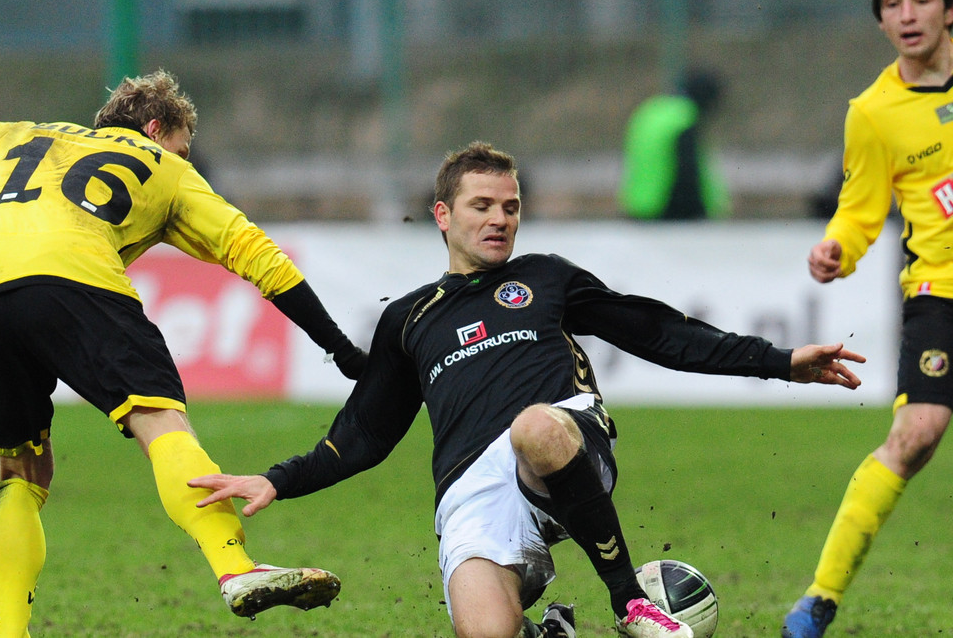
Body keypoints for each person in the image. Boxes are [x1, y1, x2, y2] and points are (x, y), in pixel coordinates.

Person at [0, 69, 367, 637]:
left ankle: (10, 631)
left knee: (21, 474)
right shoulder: (166, 167)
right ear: (156, 130)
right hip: (78, 280)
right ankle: (235, 568)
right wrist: (339, 349)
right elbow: (256, 253)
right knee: (162, 424)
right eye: (182, 149)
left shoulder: (18, 136)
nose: (186, 164)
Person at [189, 141, 864, 638]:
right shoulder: (410, 320)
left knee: (535, 427)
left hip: (561, 438)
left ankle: (629, 601)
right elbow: (363, 434)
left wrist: (780, 361)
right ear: (443, 215)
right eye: (482, 206)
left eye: (511, 207)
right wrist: (278, 480)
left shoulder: (546, 277)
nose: (500, 219)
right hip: (471, 495)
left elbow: (658, 331)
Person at [783, 0, 953, 636]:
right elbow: (858, 212)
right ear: (881, 22)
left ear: (948, 10)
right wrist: (837, 248)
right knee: (916, 434)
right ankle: (819, 599)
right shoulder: (874, 113)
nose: (906, 12)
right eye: (891, 3)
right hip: (938, 293)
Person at [619, 69, 731, 221]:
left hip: (639, 205)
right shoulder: (684, 119)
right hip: (666, 210)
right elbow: (688, 172)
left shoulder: (652, 110)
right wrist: (702, 213)